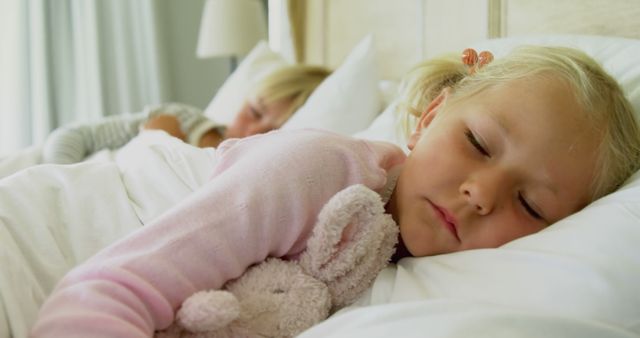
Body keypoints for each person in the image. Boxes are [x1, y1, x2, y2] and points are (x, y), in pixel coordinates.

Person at [30, 45, 640, 337]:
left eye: (531, 205)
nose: (481, 193)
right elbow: (110, 288)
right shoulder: (317, 171)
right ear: (428, 118)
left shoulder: (411, 273)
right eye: (478, 143)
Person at [41, 64, 331, 163]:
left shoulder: (249, 180)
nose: (253, 132)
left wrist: (157, 144)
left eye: (272, 132)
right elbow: (72, 135)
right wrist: (56, 184)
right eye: (254, 111)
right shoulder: (178, 118)